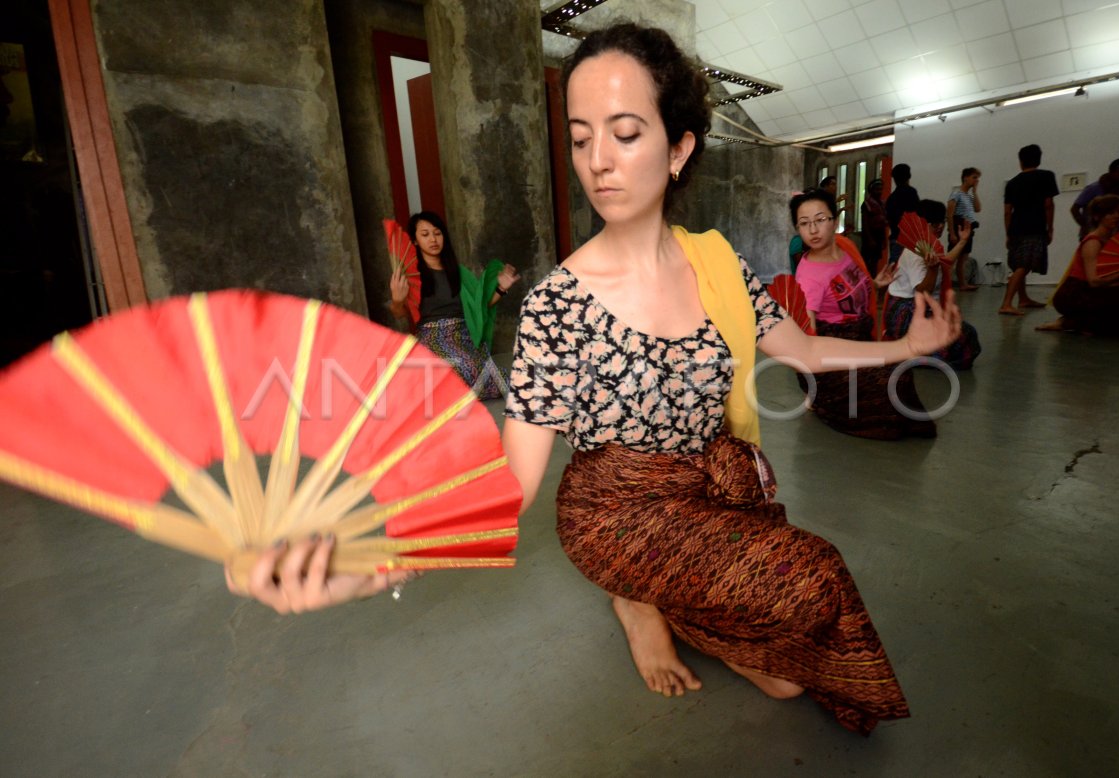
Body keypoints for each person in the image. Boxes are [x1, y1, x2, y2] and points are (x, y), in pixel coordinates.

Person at [229, 22, 965, 737]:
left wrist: (905, 345)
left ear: (679, 148)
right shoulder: (558, 303)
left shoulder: (716, 263)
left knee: (789, 678)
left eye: (625, 133)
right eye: (581, 139)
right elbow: (510, 484)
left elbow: (802, 351)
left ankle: (665, 599)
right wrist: (373, 561)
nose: (598, 162)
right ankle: (634, 595)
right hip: (616, 512)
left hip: (710, 483)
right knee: (814, 577)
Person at [793, 188, 938, 439]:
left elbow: (844, 292)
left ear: (834, 221)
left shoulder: (845, 248)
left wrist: (874, 284)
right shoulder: (809, 276)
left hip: (859, 340)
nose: (813, 230)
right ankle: (826, 400)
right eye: (804, 224)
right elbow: (807, 335)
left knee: (901, 366)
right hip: (833, 354)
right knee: (888, 380)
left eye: (820, 220)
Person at [389, 211, 519, 399]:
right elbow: (399, 314)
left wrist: (501, 289)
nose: (433, 239)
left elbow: (479, 308)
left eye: (437, 233)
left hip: (463, 334)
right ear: (415, 241)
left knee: (484, 373)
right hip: (432, 336)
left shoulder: (458, 272)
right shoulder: (412, 275)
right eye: (425, 234)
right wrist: (397, 300)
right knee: (456, 368)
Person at [1037, 195, 1119, 337]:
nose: (1117, 216)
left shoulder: (1113, 241)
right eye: (1111, 213)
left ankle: (1077, 322)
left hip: (1095, 291)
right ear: (1098, 217)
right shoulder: (1093, 242)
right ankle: (1072, 322)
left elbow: (1115, 275)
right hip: (1075, 293)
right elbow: (1094, 281)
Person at [885, 200, 982, 369]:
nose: (939, 227)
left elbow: (946, 262)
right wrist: (932, 270)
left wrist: (962, 241)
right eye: (933, 223)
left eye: (941, 222)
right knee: (960, 333)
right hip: (905, 312)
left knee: (963, 332)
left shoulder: (930, 246)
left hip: (918, 308)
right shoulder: (915, 252)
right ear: (921, 224)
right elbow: (923, 290)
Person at [999, 144, 1057, 316]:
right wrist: (1050, 228)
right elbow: (1048, 205)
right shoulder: (1046, 176)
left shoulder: (1013, 183)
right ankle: (1006, 303)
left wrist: (1008, 233)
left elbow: (1007, 212)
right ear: (1039, 159)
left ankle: (1023, 299)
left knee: (1019, 264)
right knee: (1024, 265)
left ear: (1020, 161)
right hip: (1034, 227)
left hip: (1016, 228)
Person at [1070, 158, 1119, 240]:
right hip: (1092, 233)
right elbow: (1074, 209)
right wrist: (1086, 226)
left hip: (1113, 234)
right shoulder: (1093, 188)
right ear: (1111, 171)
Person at [946, 167, 981, 292]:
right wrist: (952, 233)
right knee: (952, 259)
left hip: (968, 228)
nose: (976, 180)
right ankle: (945, 285)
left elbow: (978, 208)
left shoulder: (969, 196)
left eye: (977, 178)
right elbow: (949, 214)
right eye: (974, 177)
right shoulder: (956, 193)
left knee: (963, 259)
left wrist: (975, 191)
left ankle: (963, 284)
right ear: (966, 178)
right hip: (958, 227)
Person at [885, 163, 919, 263]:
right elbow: (916, 215)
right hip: (909, 238)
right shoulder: (911, 192)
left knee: (895, 268)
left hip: (895, 238)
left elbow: (889, 218)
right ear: (908, 176)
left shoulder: (891, 198)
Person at [859, 178, 888, 276]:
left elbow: (883, 223)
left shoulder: (882, 203)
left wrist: (884, 239)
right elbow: (865, 223)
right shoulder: (867, 204)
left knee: (875, 261)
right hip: (870, 235)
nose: (879, 192)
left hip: (879, 235)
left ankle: (873, 280)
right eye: (877, 189)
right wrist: (870, 239)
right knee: (867, 261)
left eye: (881, 189)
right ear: (871, 190)